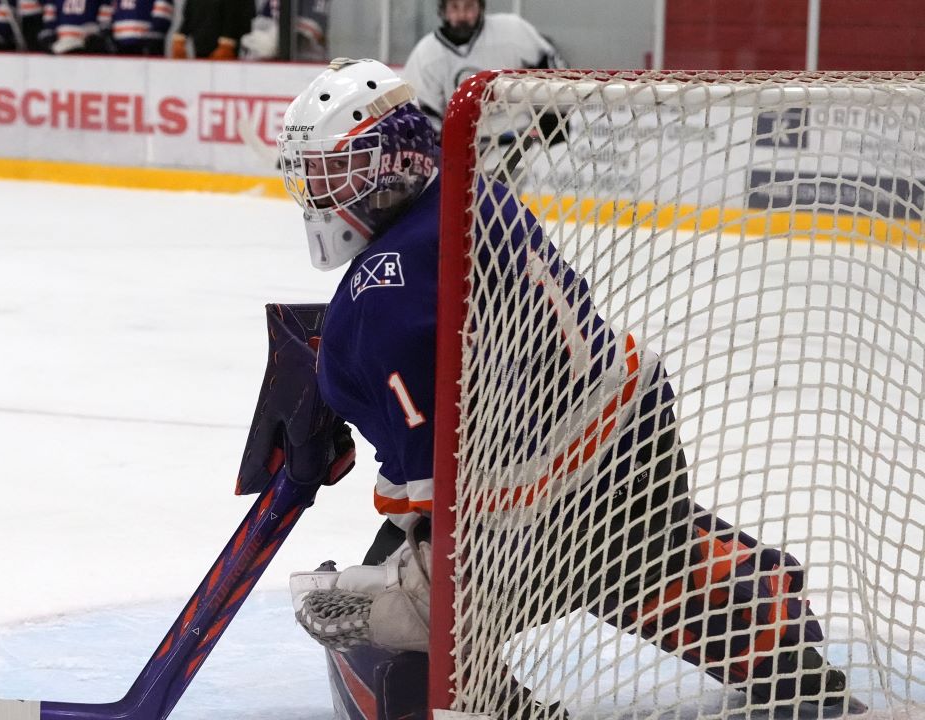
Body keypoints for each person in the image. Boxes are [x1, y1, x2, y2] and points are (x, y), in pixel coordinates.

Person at [273, 58, 865, 719]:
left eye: (337, 171)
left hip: (525, 504)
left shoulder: (371, 303)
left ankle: (493, 707)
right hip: (631, 431)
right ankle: (775, 637)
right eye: (315, 176)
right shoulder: (479, 197)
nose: (323, 193)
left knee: (382, 627)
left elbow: (436, 487)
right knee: (647, 570)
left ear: (393, 162)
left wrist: (377, 590)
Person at [403, 0, 564, 136]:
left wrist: (547, 122)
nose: (462, 16)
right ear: (443, 11)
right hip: (461, 152)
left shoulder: (512, 30)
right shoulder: (426, 54)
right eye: (454, 7)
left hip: (520, 143)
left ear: (481, 7)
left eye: (469, 6)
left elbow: (553, 72)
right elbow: (422, 115)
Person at [169, 0, 252, 59]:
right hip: (201, 48)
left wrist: (228, 41)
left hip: (226, 52)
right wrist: (180, 38)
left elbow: (236, 17)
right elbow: (188, 17)